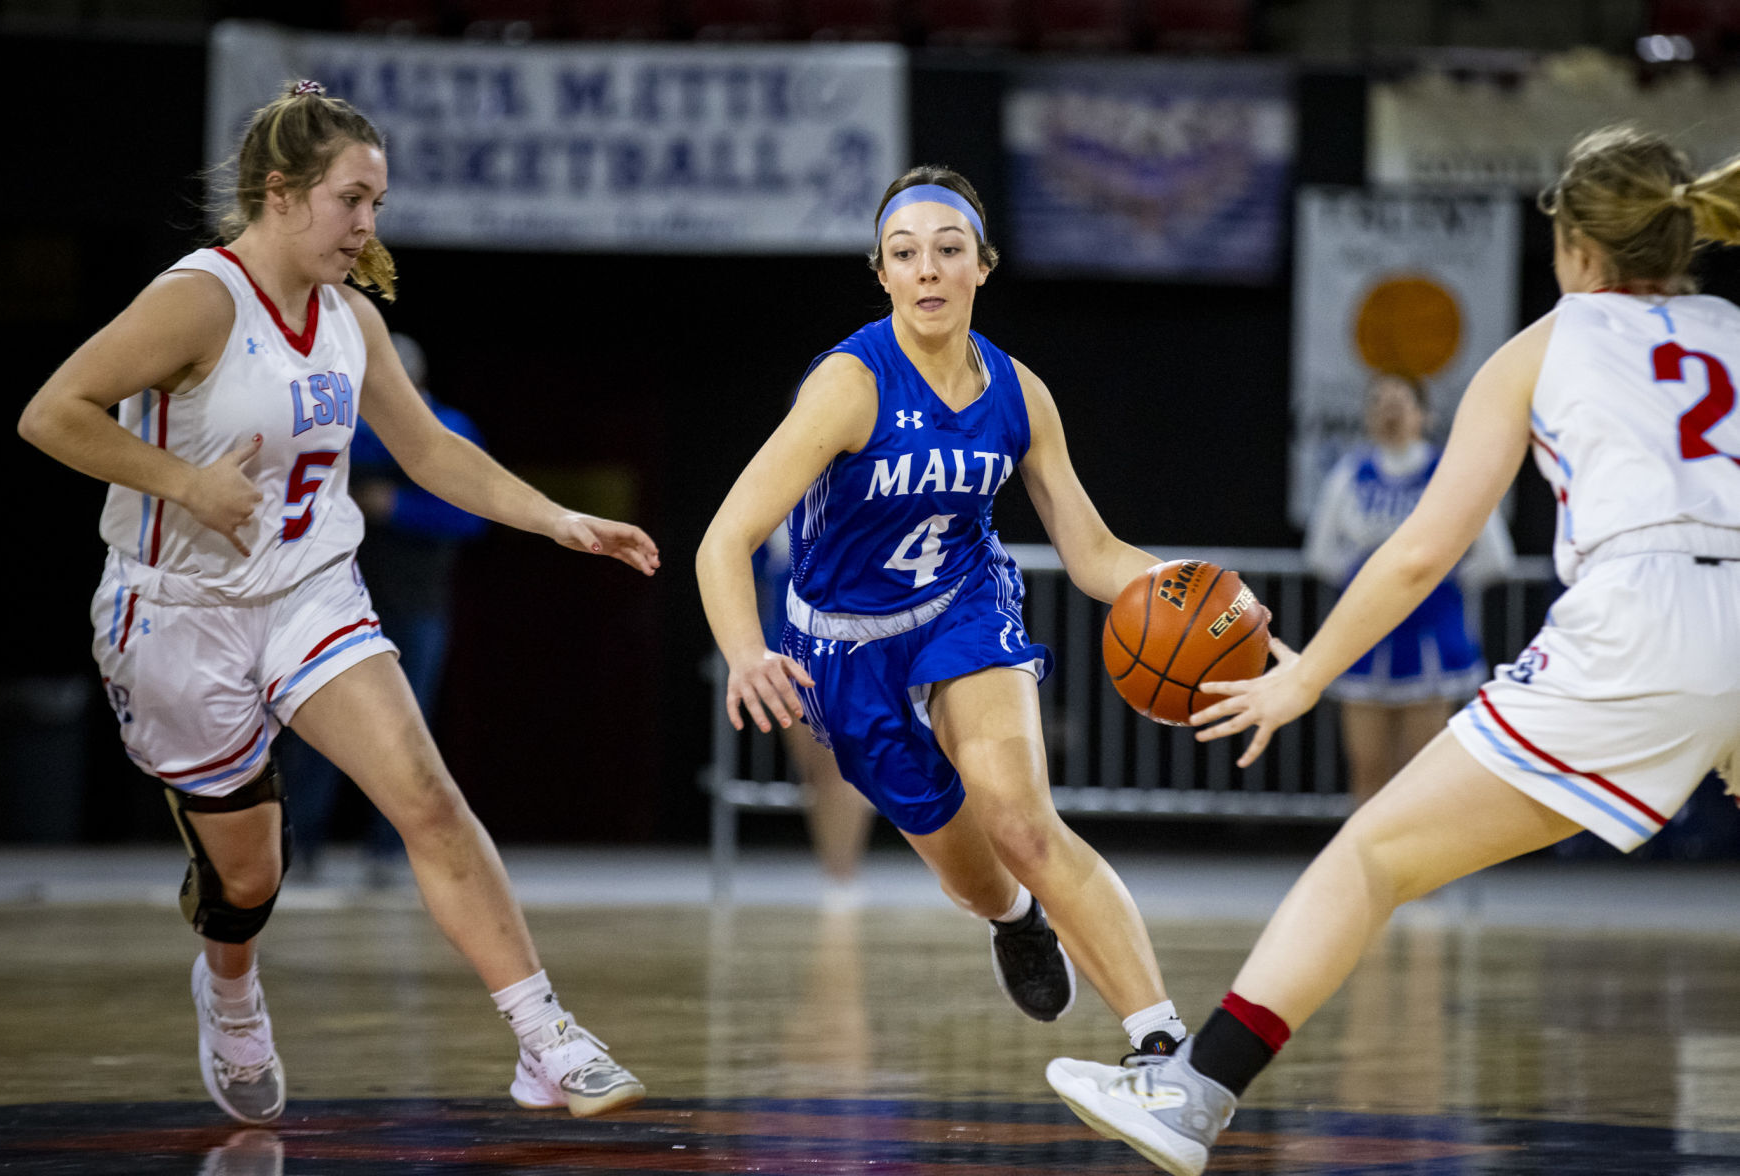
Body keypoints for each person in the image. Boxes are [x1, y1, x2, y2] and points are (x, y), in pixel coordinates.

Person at [1046, 125, 1740, 1176]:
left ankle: (1191, 1093)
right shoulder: (1730, 328)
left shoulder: (1543, 345)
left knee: (1367, 856)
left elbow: (1419, 550)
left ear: (1576, 250)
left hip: (1642, 620)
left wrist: (1303, 674)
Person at [15, 80, 659, 1126]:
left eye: (377, 206)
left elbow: (430, 451)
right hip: (177, 611)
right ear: (281, 193)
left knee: (426, 796)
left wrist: (556, 520)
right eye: (352, 200)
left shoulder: (349, 317)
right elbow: (50, 412)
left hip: (310, 591)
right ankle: (229, 992)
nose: (367, 226)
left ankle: (546, 1038)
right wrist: (181, 482)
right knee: (250, 879)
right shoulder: (199, 300)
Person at [697, 165, 1189, 1061]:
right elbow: (723, 541)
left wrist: (1202, 591)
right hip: (843, 649)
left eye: (947, 251)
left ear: (982, 267)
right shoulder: (849, 386)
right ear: (881, 274)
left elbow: (1095, 556)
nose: (927, 270)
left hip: (963, 605)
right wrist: (745, 652)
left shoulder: (1019, 394)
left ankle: (1161, 1044)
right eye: (905, 254)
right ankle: (1014, 915)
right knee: (976, 878)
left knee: (1021, 821)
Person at [280, 332, 488, 886]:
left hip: (415, 605)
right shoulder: (334, 424)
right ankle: (301, 849)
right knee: (320, 729)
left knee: (404, 733)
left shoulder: (448, 427)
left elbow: (473, 514)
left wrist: (396, 506)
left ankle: (390, 856)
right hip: (333, 601)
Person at [1304, 373, 1515, 804]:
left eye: (1400, 402)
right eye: (1379, 402)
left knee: (1421, 771)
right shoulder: (1350, 474)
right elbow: (1320, 554)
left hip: (1430, 639)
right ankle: (1362, 870)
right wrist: (1371, 581)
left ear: (1425, 414)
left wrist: (1436, 580)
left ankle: (1422, 871)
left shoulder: (1449, 472)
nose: (1389, 411)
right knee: (1366, 766)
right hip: (1363, 638)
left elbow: (1496, 557)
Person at [752, 522, 876, 893]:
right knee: (813, 771)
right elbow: (750, 572)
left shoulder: (854, 494)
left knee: (839, 769)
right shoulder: (774, 503)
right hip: (786, 648)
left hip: (844, 643)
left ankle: (842, 878)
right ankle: (834, 874)